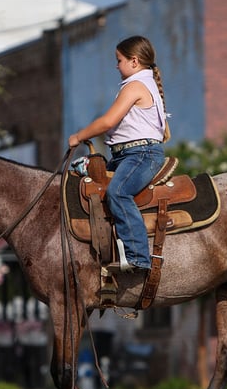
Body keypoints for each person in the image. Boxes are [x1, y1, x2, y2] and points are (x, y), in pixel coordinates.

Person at [69, 35, 169, 274]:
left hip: (141, 154)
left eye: (119, 60)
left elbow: (108, 121)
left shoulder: (135, 86)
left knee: (119, 192)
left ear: (134, 61)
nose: (116, 65)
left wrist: (79, 135)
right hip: (127, 154)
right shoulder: (142, 85)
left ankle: (139, 257)